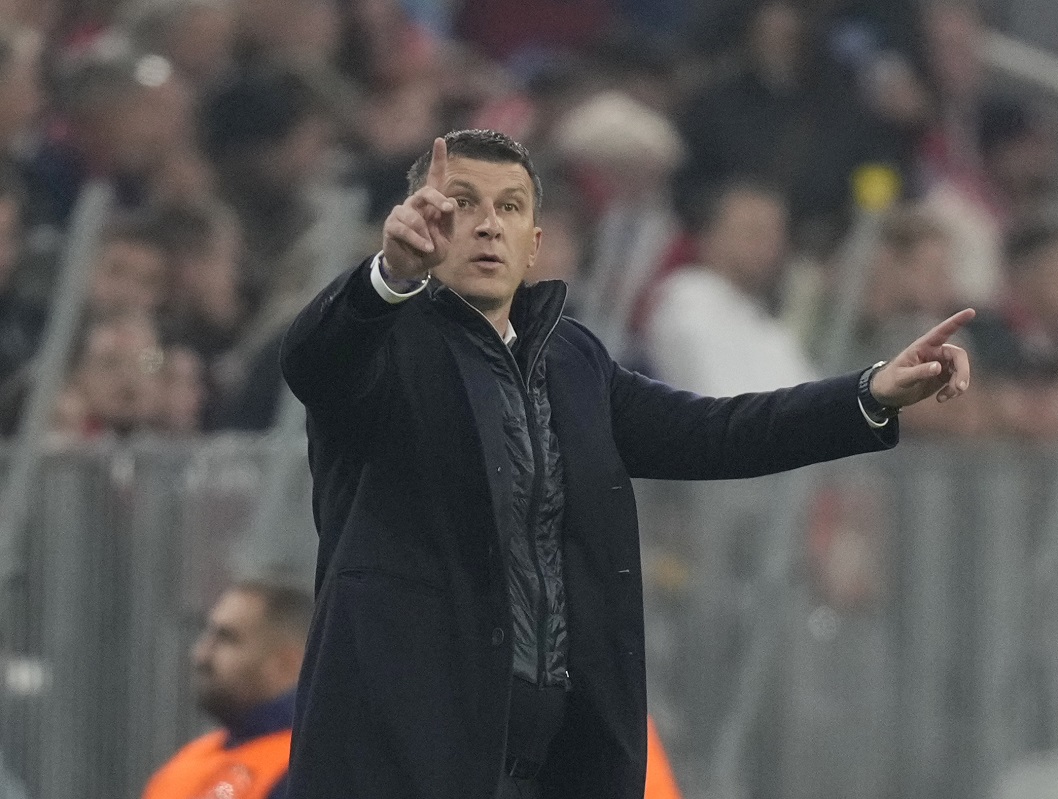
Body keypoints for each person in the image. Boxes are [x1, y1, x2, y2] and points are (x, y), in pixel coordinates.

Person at [280, 129, 974, 799]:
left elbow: (715, 431)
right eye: (461, 202)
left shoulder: (574, 361)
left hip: (550, 762)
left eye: (510, 207)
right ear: (420, 220)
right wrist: (387, 276)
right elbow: (314, 361)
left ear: (535, 245)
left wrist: (869, 391)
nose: (487, 224)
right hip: (405, 759)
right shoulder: (380, 343)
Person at [141, 579, 313, 799]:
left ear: (285, 662)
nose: (200, 655)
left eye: (227, 639)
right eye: (208, 634)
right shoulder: (188, 761)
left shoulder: (307, 771)